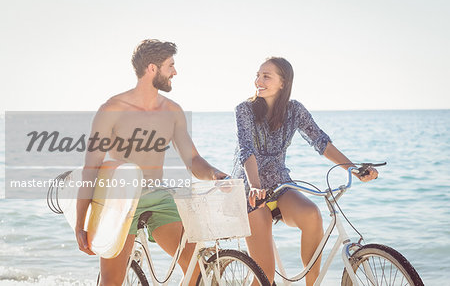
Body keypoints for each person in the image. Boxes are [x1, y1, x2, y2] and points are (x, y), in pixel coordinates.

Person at [76, 39, 228, 286]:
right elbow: (91, 167)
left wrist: (214, 174)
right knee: (112, 281)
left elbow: (192, 159)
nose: (175, 72)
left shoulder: (172, 111)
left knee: (196, 267)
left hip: (158, 196)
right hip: (120, 200)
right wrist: (80, 223)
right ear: (152, 69)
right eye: (170, 66)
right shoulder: (112, 109)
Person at [231, 57, 378, 285]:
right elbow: (246, 151)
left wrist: (355, 170)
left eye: (266, 76)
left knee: (312, 215)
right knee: (265, 277)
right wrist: (255, 185)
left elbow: (321, 142)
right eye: (258, 75)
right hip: (250, 190)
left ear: (283, 83)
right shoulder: (245, 110)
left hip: (281, 186)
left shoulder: (294, 110)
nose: (258, 80)